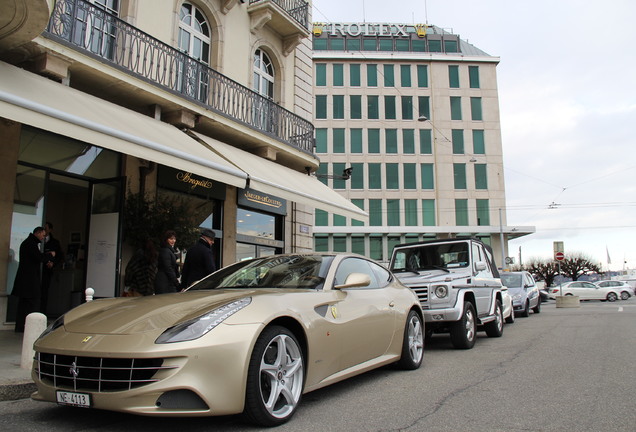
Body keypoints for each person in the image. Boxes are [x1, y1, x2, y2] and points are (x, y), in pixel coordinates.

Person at [12, 227, 55, 332]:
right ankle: (29, 326)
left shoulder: (29, 243)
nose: (43, 237)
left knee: (24, 303)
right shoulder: (30, 244)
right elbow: (38, 257)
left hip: (26, 279)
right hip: (28, 280)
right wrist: (50, 255)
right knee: (32, 302)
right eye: (43, 235)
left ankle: (21, 326)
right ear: (38, 233)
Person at [41, 221, 63, 315]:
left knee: (44, 292)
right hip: (37, 270)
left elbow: (59, 256)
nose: (44, 231)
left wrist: (53, 263)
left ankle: (42, 312)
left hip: (47, 271)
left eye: (46, 229)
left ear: (50, 230)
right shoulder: (38, 241)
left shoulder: (54, 242)